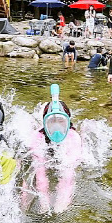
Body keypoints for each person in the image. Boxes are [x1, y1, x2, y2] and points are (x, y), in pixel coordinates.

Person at [22, 84, 83, 214]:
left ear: (68, 122)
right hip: (44, 153)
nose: (56, 127)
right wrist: (44, 200)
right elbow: (40, 174)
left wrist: (62, 201)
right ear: (45, 122)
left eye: (61, 122)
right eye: (52, 122)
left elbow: (68, 174)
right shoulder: (37, 137)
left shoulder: (73, 138)